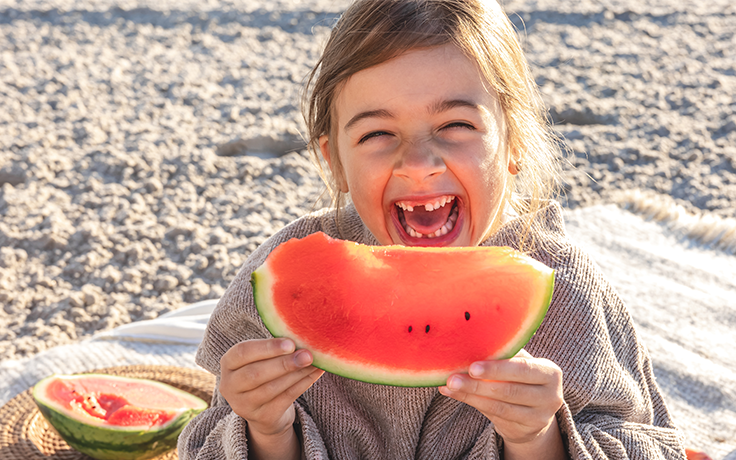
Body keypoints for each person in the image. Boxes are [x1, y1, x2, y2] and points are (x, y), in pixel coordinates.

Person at [178, 0, 686, 458]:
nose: (418, 163)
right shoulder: (282, 278)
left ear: (513, 145)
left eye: (456, 126)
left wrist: (539, 440)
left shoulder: (565, 289)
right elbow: (207, 442)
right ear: (333, 160)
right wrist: (265, 431)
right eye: (378, 133)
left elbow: (648, 445)